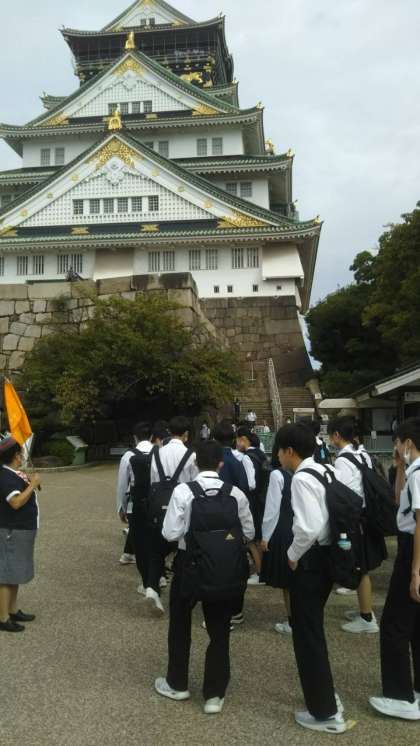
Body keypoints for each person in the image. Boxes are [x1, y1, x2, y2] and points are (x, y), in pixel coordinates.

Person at [154, 440, 254, 714]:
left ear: (195, 463)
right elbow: (248, 532)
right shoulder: (235, 494)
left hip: (189, 565)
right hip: (223, 567)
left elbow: (170, 533)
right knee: (219, 629)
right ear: (221, 463)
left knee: (180, 623)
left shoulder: (183, 491)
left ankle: (177, 683)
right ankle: (214, 694)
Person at [277, 423, 353, 733]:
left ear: (289, 451)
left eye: (279, 451)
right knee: (313, 632)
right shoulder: (326, 470)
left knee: (307, 636)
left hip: (310, 562)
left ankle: (325, 713)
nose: (278, 457)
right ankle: (327, 698)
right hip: (329, 557)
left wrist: (292, 555)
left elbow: (308, 526)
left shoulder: (300, 479)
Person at [369, 417, 420, 720]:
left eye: (398, 443)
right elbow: (400, 500)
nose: (395, 449)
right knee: (415, 625)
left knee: (394, 625)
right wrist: (400, 466)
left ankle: (400, 696)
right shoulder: (412, 471)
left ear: (408, 443)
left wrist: (415, 571)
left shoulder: (419, 474)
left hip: (413, 551)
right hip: (411, 547)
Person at [328, 416, 386, 633]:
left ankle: (367, 618)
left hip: (354, 518)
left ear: (336, 435)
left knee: (360, 568)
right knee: (362, 566)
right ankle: (364, 609)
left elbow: (341, 492)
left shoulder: (343, 460)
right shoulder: (362, 453)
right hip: (367, 514)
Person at [148, 416, 198, 613]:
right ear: (186, 434)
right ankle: (182, 593)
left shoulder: (157, 453)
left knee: (157, 548)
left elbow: (153, 479)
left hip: (158, 502)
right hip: (182, 505)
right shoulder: (191, 455)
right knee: (183, 548)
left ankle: (152, 586)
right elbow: (194, 483)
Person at [0, 435, 41, 633]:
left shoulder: (12, 474)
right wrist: (32, 485)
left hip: (20, 530)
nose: (23, 457)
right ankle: (3, 617)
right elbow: (15, 502)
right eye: (21, 454)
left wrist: (28, 481)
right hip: (12, 530)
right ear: (16, 455)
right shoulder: (6, 476)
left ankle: (12, 610)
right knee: (7, 573)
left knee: (14, 571)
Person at [260, 430, 293, 634]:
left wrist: (265, 536)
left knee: (288, 582)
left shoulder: (277, 474)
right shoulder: (313, 471)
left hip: (284, 529)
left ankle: (292, 621)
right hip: (307, 531)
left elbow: (272, 509)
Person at [116, 422, 153, 566]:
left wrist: (121, 508)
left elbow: (122, 484)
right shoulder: (159, 452)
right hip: (154, 499)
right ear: (152, 436)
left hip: (135, 499)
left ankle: (131, 554)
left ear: (134, 437)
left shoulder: (128, 455)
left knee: (136, 527)